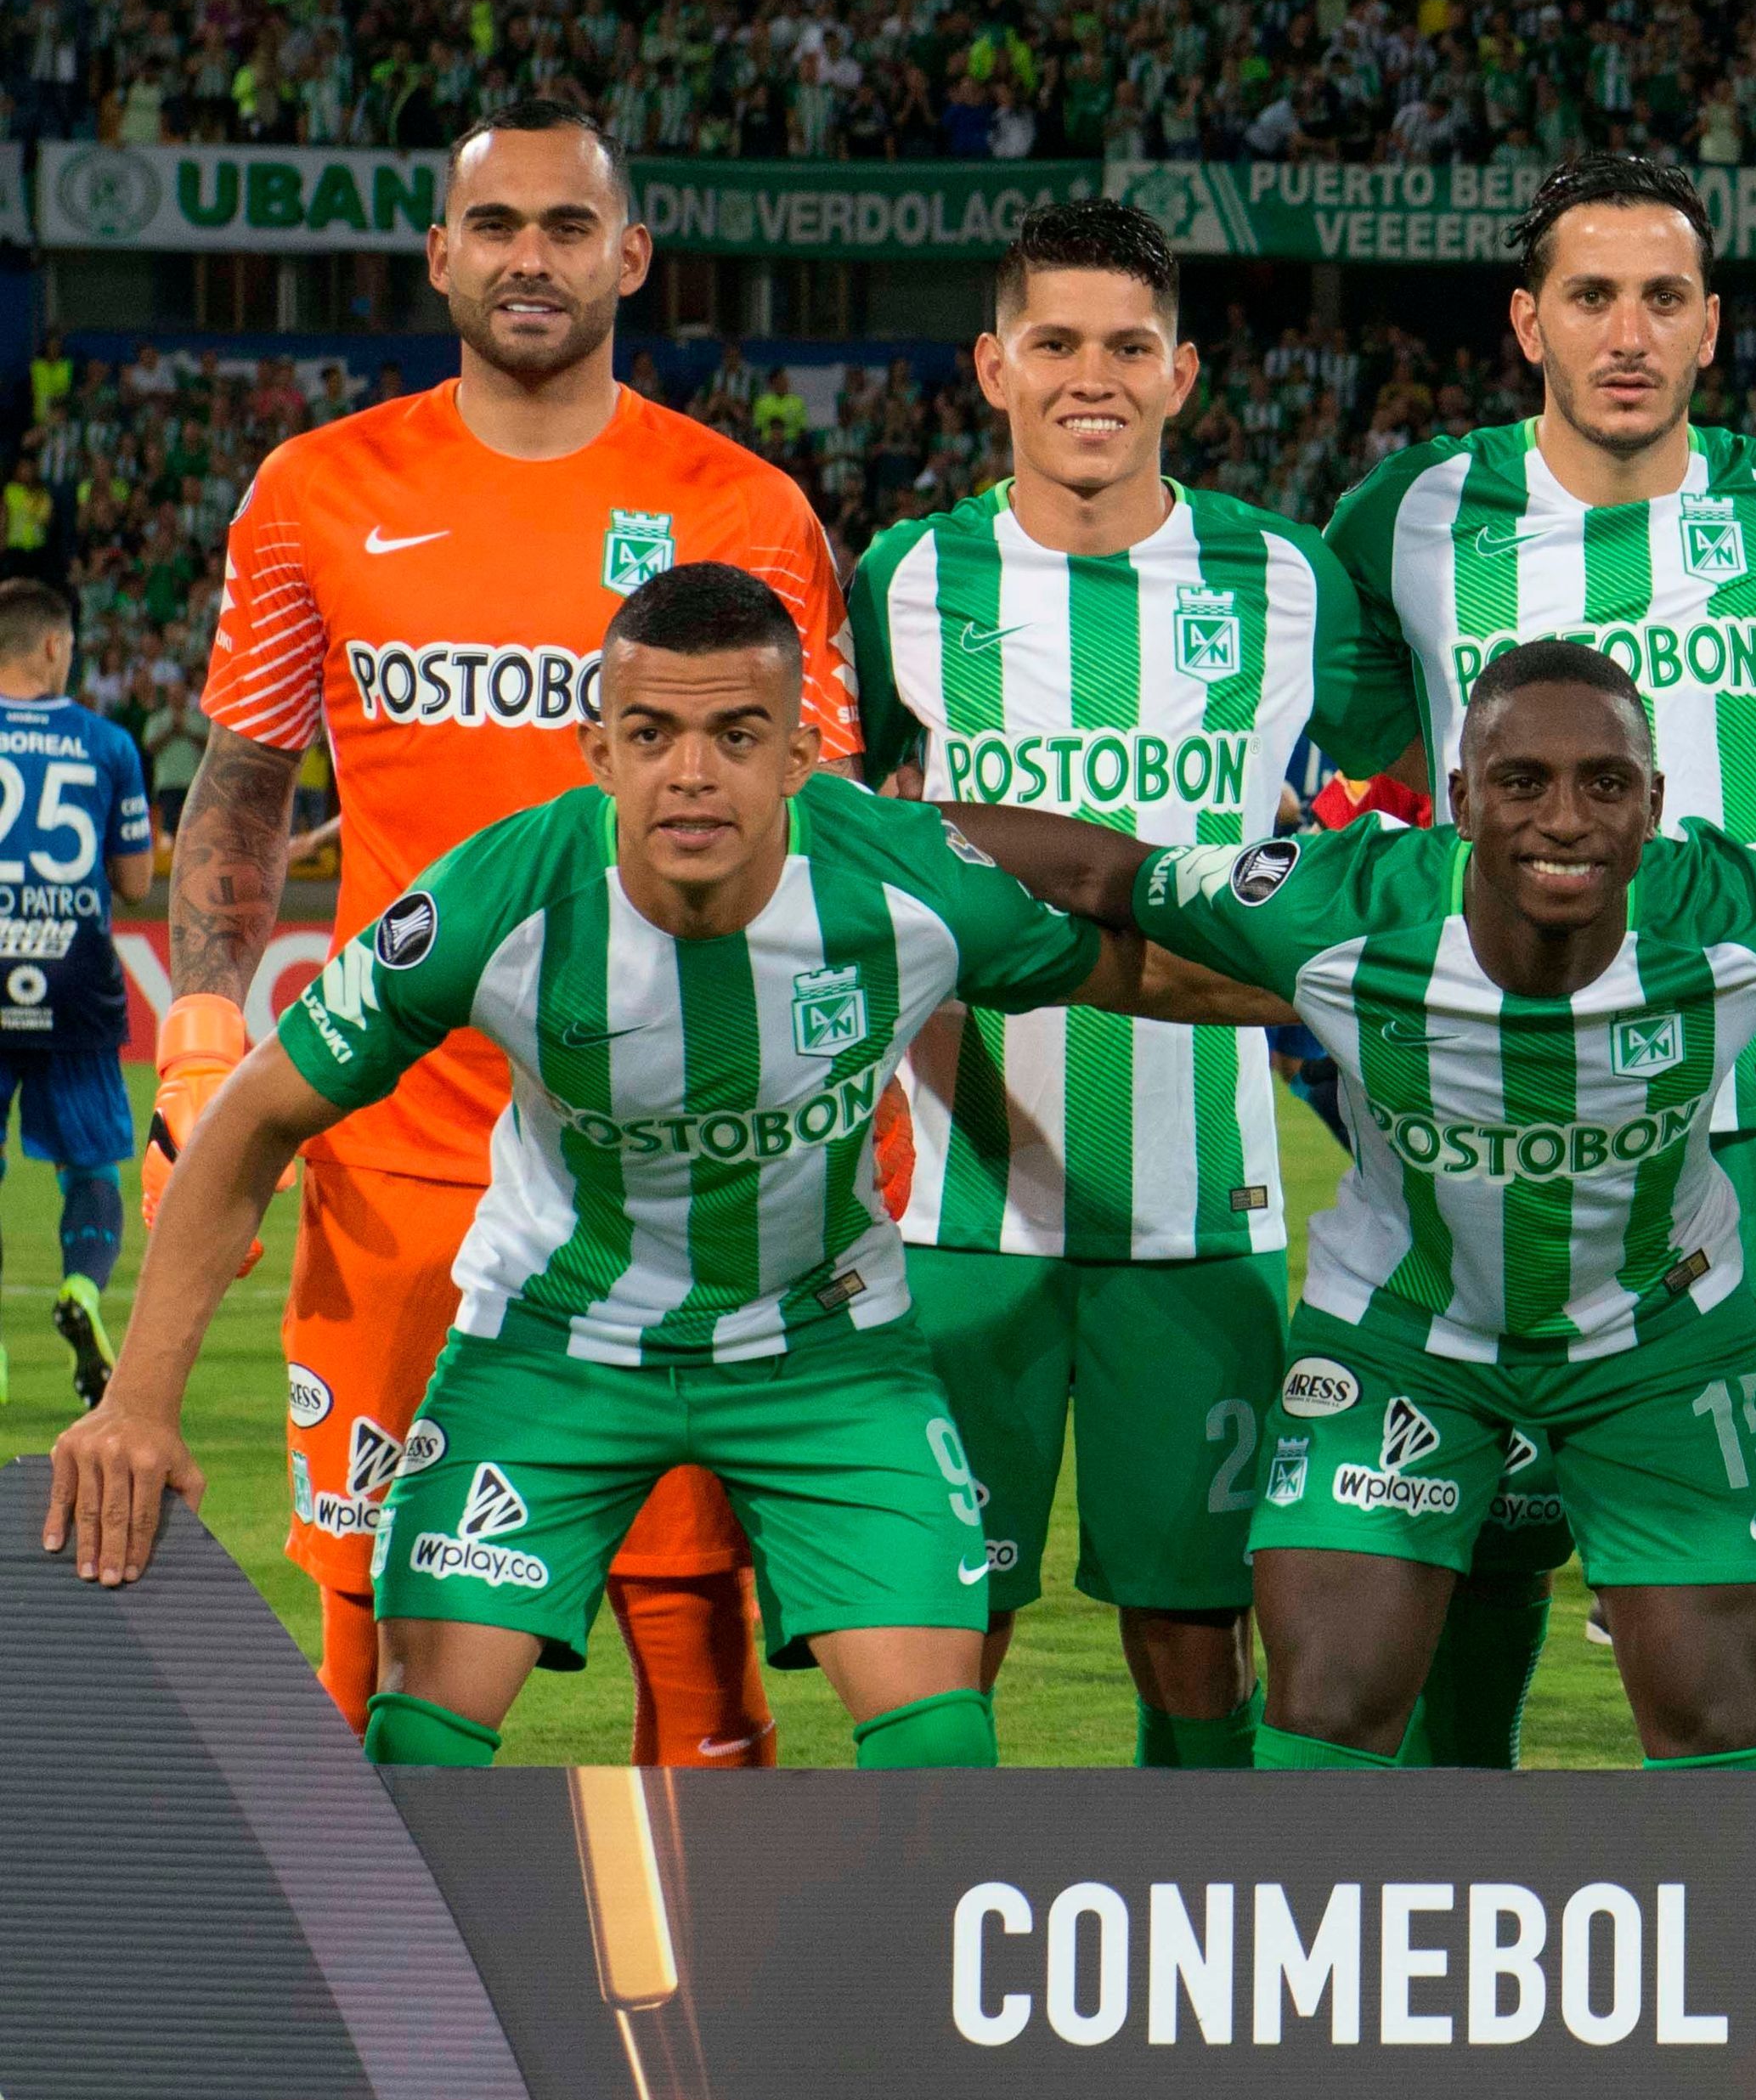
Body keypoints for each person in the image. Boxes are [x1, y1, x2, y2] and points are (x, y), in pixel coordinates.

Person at [41, 566, 1286, 1770]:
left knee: (941, 1741)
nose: (691, 776)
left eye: (738, 736)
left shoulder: (907, 883)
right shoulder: (498, 898)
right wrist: (139, 1404)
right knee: (420, 1732)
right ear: (598, 752)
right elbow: (254, 1117)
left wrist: (1394, 996)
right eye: (650, 734)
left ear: (800, 756)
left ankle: (875, 1990)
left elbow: (1153, 972)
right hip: (549, 1347)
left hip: (825, 1353)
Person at [954, 640, 1756, 1771]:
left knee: (1726, 1728)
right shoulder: (1340, 899)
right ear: (1460, 799)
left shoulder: (1735, 905)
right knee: (1325, 1719)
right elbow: (1105, 873)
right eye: (1522, 783)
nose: (1565, 819)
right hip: (1403, 1343)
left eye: (1604, 785)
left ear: (1654, 801)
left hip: (1663, 1349)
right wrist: (844, 831)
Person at [155, 94, 850, 1765]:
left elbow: (822, 827)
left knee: (696, 1664)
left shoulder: (743, 509)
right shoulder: (313, 492)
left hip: (679, 1159)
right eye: (495, 226)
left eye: (563, 226)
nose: (527, 257)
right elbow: (247, 785)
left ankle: (707, 2013)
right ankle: (367, 2021)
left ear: (629, 256)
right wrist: (199, 1027)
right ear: (438, 255)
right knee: (371, 1638)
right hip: (398, 1153)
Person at [1328, 151, 1756, 1768]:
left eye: (1660, 297)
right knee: (1462, 1576)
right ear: (1527, 321)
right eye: (1589, 296)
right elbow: (1384, 759)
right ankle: (1441, 1920)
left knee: (1755, 1578)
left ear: (1712, 325)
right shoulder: (1412, 516)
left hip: (1737, 1114)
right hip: (1477, 1114)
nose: (1626, 332)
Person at [852, 197, 1409, 1771]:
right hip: (959, 1217)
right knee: (944, 1623)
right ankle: (923, 1949)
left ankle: (1201, 1977)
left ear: (1184, 373)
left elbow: (1410, 794)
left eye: (1128, 346)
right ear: (992, 364)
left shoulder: (1290, 578)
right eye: (1055, 343)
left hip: (1201, 1211)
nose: (1090, 377)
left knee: (1192, 1633)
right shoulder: (903, 574)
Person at [0, 579, 151, 1405]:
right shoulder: (109, 743)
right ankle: (83, 1292)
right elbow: (133, 881)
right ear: (56, 646)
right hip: (73, 976)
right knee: (91, 1164)